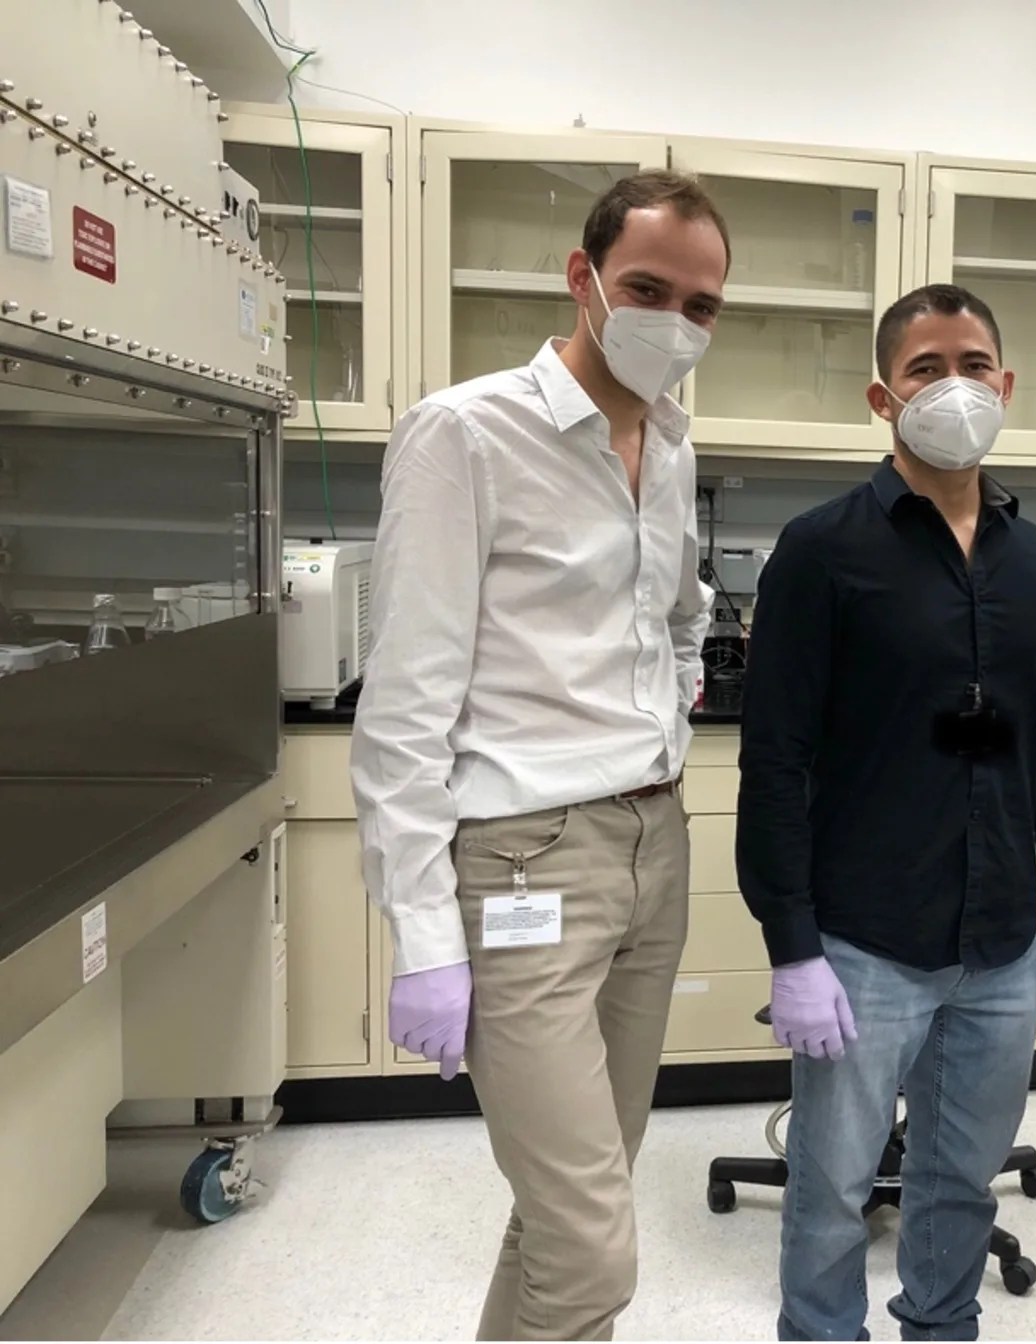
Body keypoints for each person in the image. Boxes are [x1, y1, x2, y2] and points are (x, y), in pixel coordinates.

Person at [349, 171, 727, 1341]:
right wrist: (421, 937)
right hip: (525, 863)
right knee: (592, 1247)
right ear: (582, 279)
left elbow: (674, 613)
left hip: (650, 846)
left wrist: (670, 708)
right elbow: (403, 707)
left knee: (576, 1198)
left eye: (701, 304)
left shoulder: (667, 439)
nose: (675, 320)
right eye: (646, 289)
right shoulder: (464, 433)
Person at [737, 283, 1036, 1342]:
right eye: (925, 368)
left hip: (998, 944)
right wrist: (790, 945)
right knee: (831, 1187)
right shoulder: (821, 550)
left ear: (1007, 384)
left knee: (961, 1181)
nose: (954, 385)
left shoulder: (1031, 558)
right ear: (879, 397)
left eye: (974, 364)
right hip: (864, 945)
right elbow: (774, 762)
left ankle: (942, 1327)